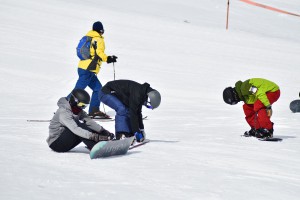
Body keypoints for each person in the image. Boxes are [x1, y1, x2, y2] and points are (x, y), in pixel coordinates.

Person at [69, 21, 118, 118]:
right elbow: (99, 53)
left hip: (84, 68)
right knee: (78, 90)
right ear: (101, 30)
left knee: (98, 89)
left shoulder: (89, 37)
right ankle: (64, 109)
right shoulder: (98, 39)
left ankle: (94, 111)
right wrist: (108, 58)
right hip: (88, 69)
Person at [47, 89, 114, 153]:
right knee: (81, 127)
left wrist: (103, 131)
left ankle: (105, 143)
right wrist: (95, 137)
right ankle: (95, 147)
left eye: (85, 106)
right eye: (81, 105)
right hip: (56, 143)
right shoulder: (64, 112)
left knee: (88, 126)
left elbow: (89, 121)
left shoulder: (77, 110)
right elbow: (75, 129)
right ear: (74, 101)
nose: (82, 107)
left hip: (65, 138)